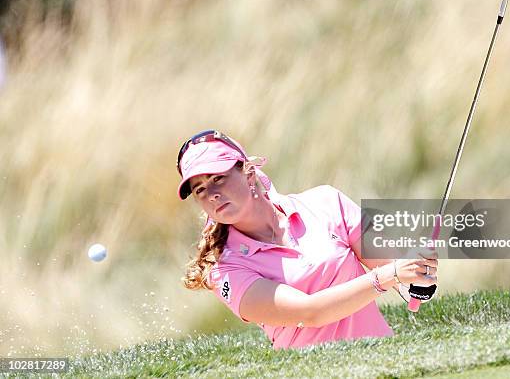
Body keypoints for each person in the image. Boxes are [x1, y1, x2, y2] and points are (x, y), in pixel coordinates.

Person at [177, 130, 438, 350]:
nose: (211, 193)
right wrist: (389, 275)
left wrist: (418, 277)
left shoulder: (326, 202)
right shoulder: (225, 270)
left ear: (247, 172)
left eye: (218, 178)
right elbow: (310, 313)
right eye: (200, 189)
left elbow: (401, 277)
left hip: (382, 358)